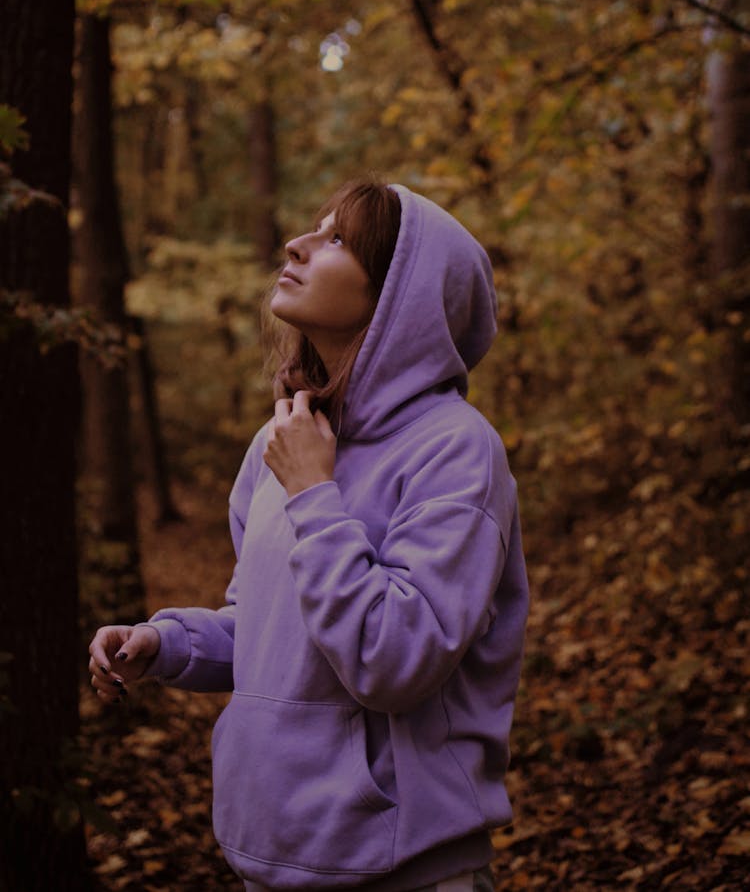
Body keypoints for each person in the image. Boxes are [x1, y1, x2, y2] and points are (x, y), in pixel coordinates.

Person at [89, 179, 529, 892]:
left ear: (399, 297)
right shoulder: (286, 436)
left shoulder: (455, 450)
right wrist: (165, 643)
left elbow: (395, 657)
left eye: (337, 240)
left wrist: (315, 492)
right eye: (313, 230)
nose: (296, 244)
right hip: (269, 853)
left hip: (403, 864)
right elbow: (264, 626)